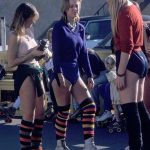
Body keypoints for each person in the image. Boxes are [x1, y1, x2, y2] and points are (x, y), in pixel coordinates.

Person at [51, 0, 99, 150]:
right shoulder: (58, 27)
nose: (74, 8)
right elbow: (56, 53)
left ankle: (88, 144)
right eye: (71, 6)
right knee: (64, 112)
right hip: (61, 73)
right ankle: (60, 144)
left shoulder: (81, 28)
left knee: (90, 106)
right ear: (65, 9)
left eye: (76, 5)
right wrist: (59, 74)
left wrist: (90, 75)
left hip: (75, 73)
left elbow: (84, 54)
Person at [7, 3, 52, 150]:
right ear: (24, 18)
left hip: (36, 70)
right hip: (24, 74)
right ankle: (26, 147)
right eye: (31, 19)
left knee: (40, 112)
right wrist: (32, 54)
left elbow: (32, 55)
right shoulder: (15, 35)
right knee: (29, 114)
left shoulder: (30, 31)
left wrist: (42, 53)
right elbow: (11, 63)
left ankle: (36, 145)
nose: (33, 22)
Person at [107, 0, 150, 150]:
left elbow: (127, 46)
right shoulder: (133, 8)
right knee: (139, 107)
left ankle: (136, 146)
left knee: (130, 111)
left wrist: (120, 73)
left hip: (130, 60)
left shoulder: (124, 12)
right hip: (139, 58)